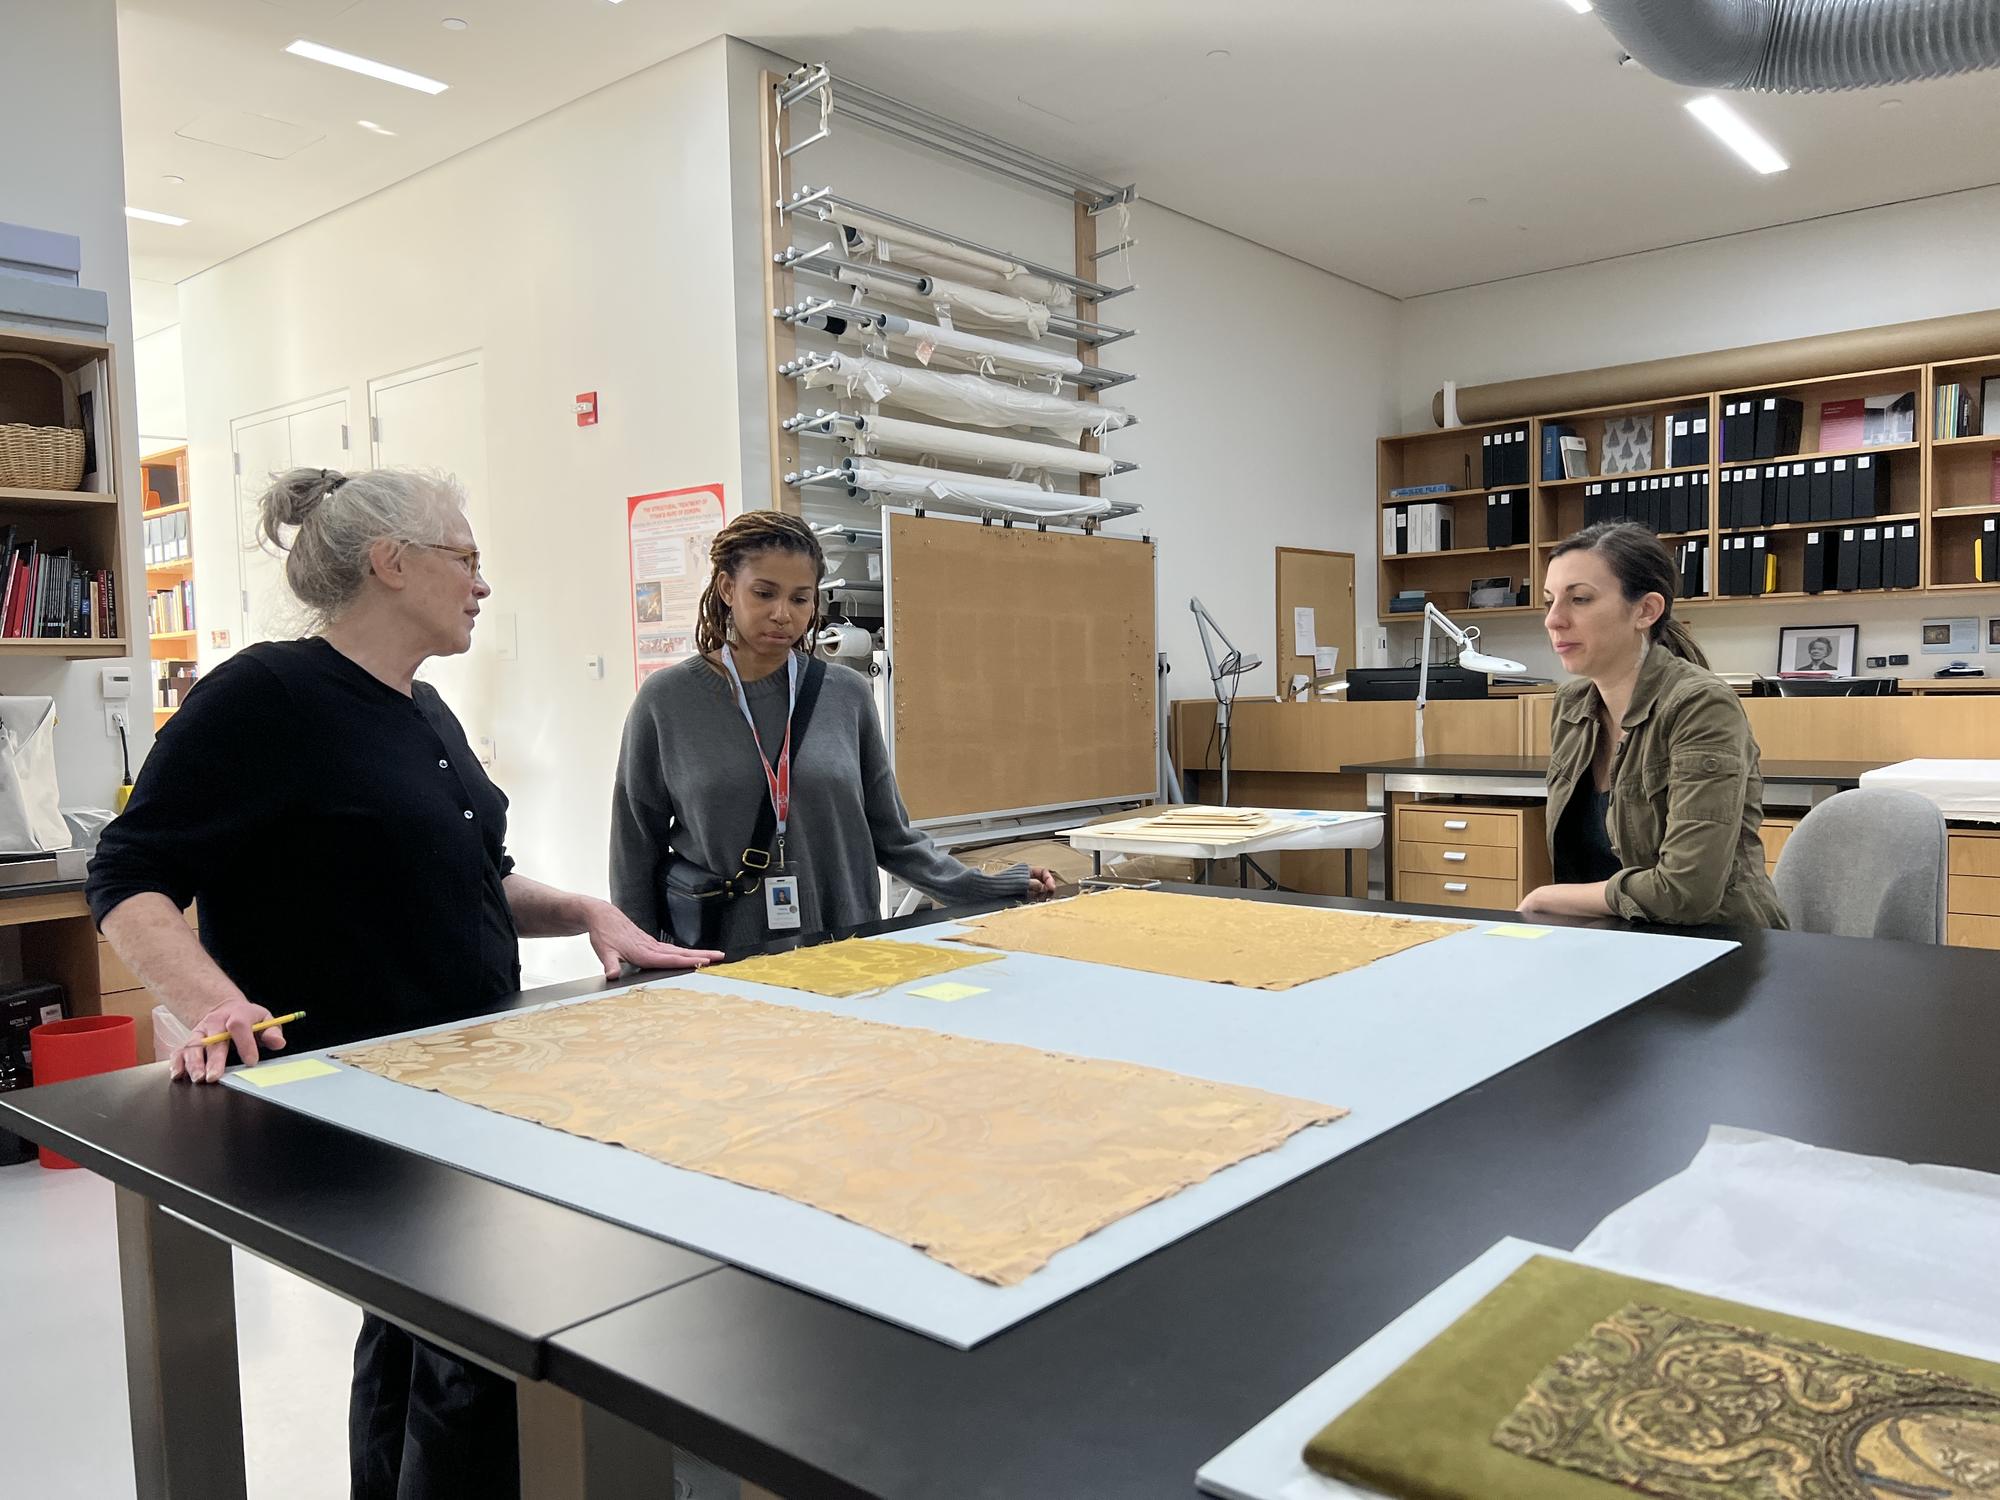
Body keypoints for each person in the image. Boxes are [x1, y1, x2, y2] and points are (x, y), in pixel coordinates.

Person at [86, 466, 722, 1500]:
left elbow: (470, 873)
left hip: (467, 1082)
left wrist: (589, 914)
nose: (480, 583)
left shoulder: (422, 709)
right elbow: (128, 876)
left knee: (424, 1340)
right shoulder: (266, 696)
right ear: (391, 563)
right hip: (358, 1104)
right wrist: (210, 1003)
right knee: (469, 1356)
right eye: (464, 559)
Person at [612, 509, 1057, 949]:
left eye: (800, 599)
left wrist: (987, 886)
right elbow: (634, 850)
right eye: (764, 593)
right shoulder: (667, 700)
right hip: (721, 956)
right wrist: (641, 955)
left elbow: (893, 837)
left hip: (847, 944)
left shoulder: (845, 693)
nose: (782, 614)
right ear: (728, 588)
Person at [1519, 521, 1787, 929]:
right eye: (1549, 601)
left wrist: (1547, 896)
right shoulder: (1571, 706)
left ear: (1645, 610)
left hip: (1720, 945)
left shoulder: (1701, 704)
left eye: (1580, 599)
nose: (1554, 620)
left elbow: (1686, 891)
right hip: (1616, 939)